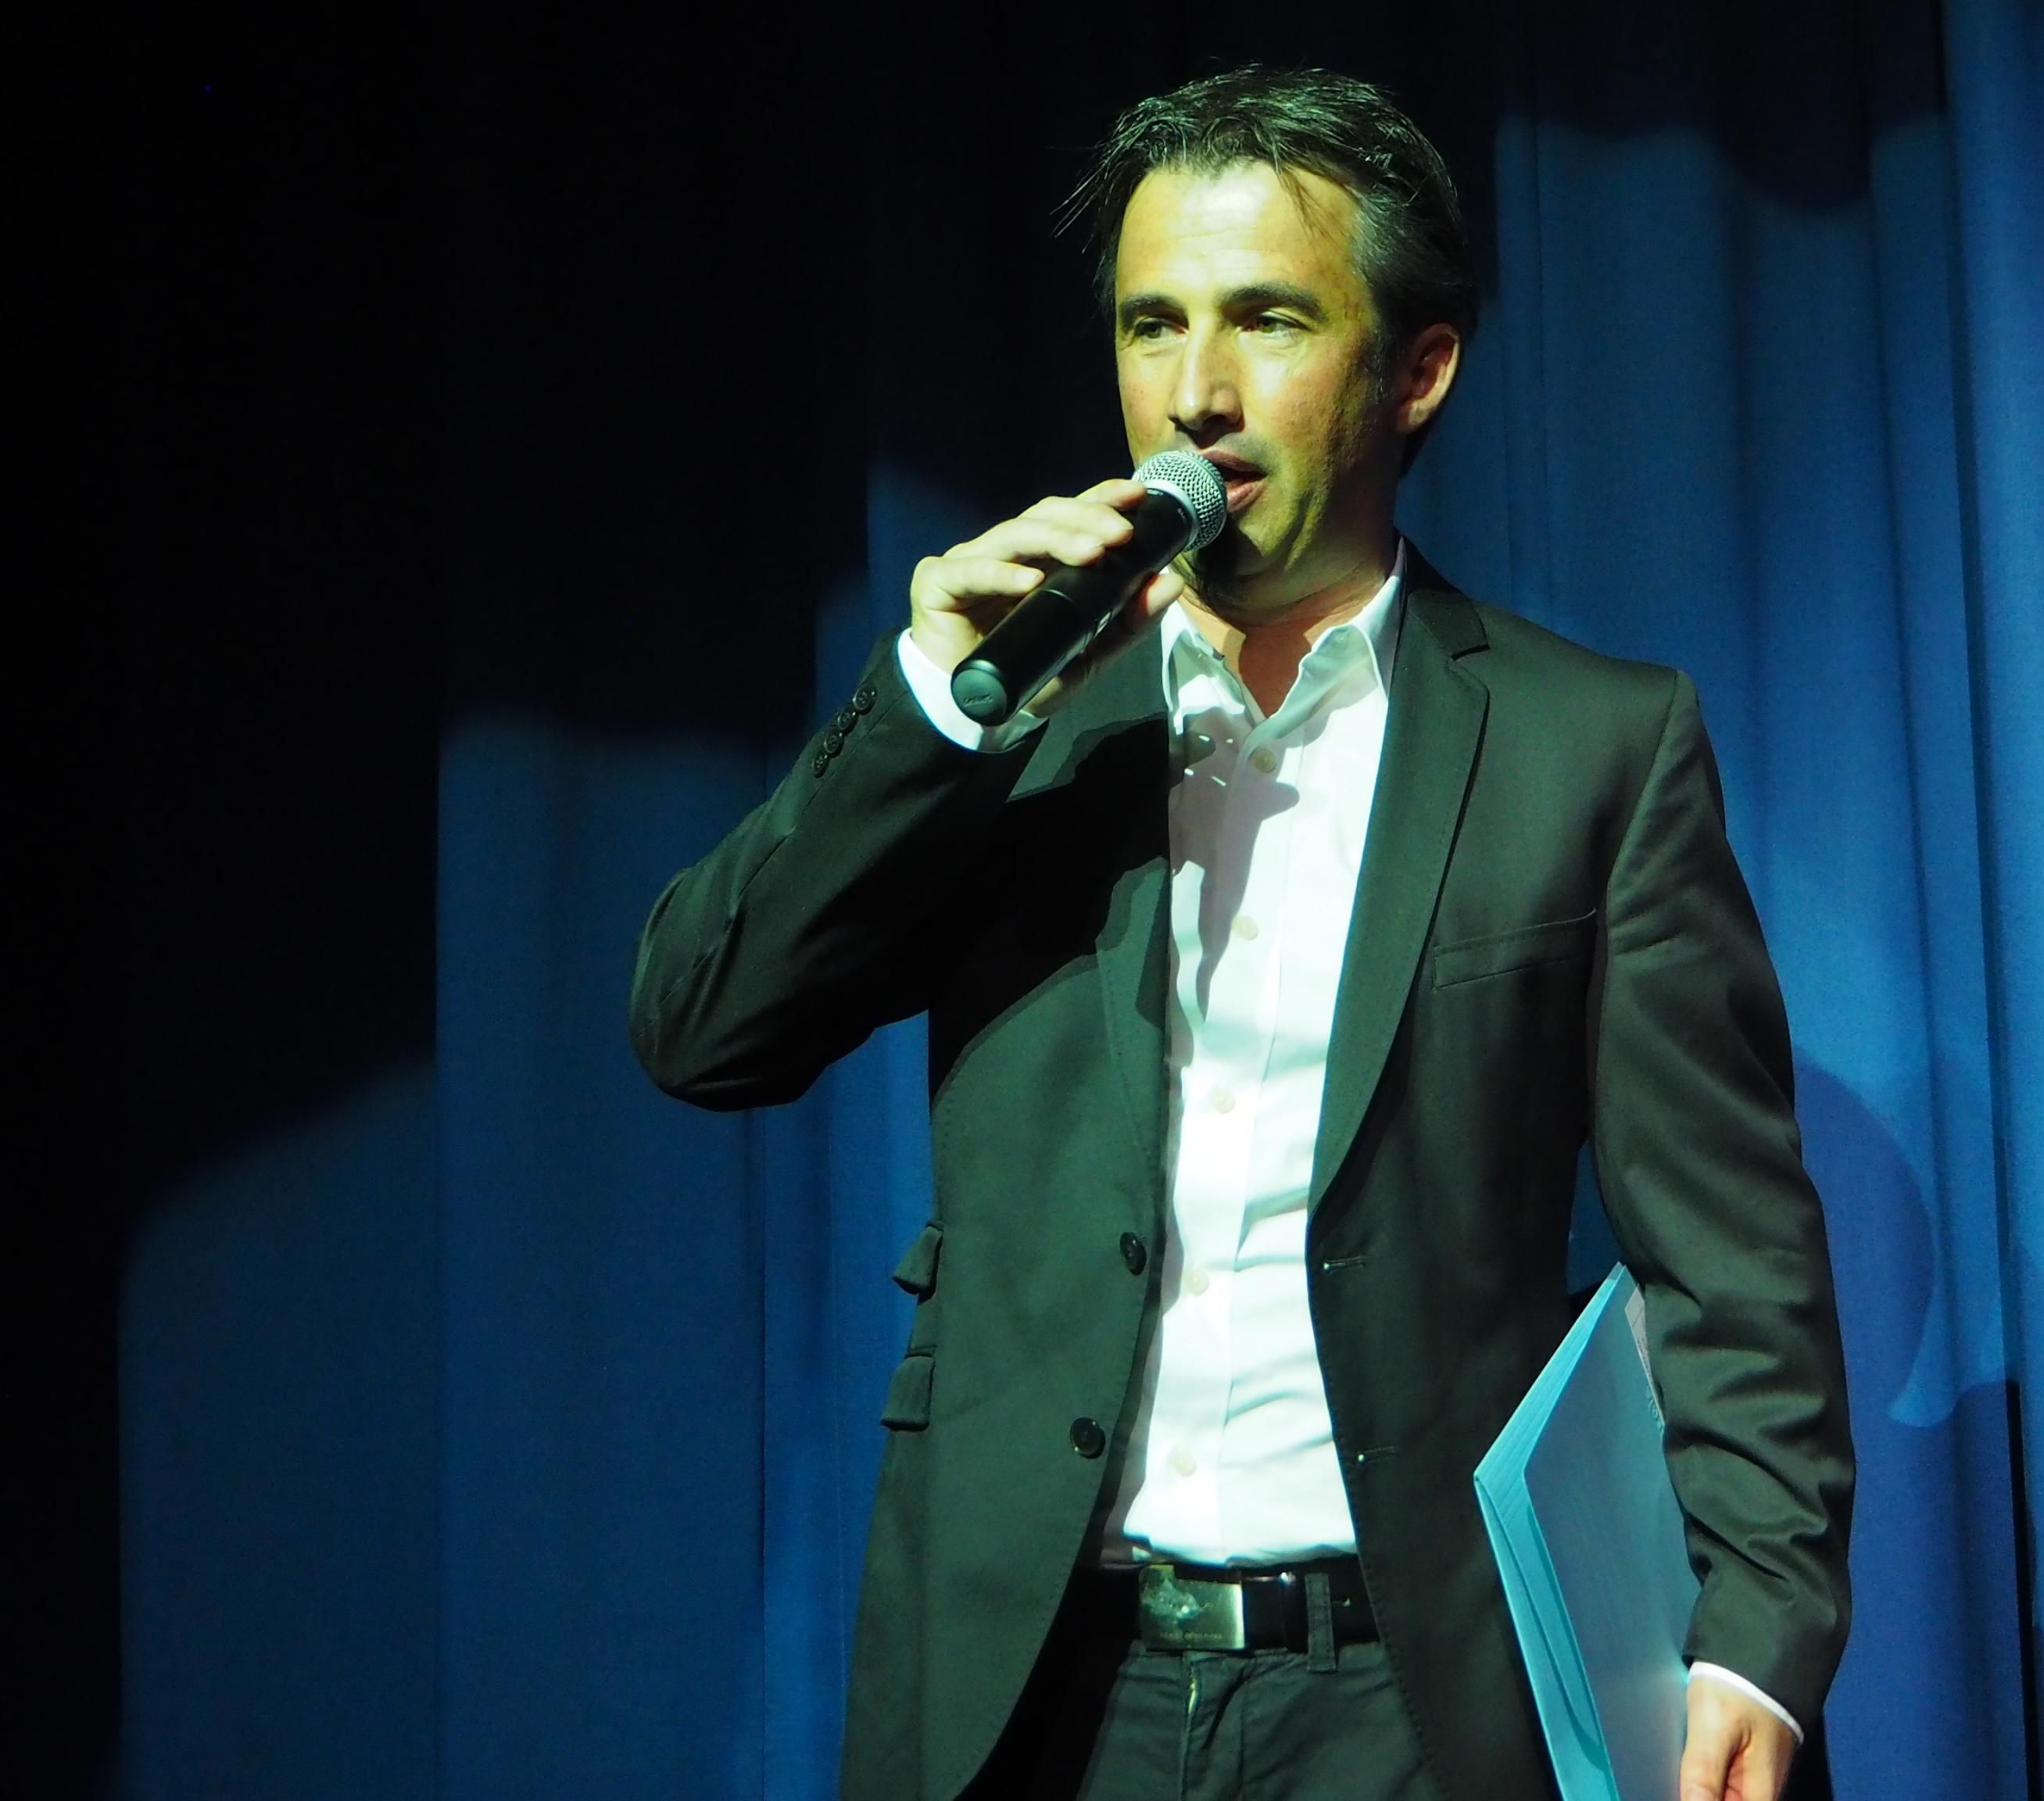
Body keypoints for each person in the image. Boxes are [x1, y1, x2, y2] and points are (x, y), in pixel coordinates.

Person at [632, 65, 1850, 1801]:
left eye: (1266, 319)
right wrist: (929, 707)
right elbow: (700, 1026)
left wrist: (1757, 1637)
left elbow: (1732, 1261)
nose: (1193, 392)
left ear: (1415, 369)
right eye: (1153, 325)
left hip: (1408, 1700)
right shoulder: (1018, 725)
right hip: (1045, 1691)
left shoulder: (1590, 747)